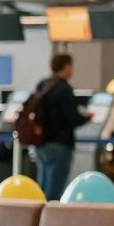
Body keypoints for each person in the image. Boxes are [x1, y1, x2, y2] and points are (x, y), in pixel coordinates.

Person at [32, 53, 93, 200]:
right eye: (71, 66)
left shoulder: (43, 85)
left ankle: (37, 219)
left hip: (41, 142)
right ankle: (48, 221)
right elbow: (73, 118)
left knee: (43, 187)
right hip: (60, 144)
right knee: (54, 191)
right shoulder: (64, 88)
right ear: (66, 66)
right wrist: (87, 118)